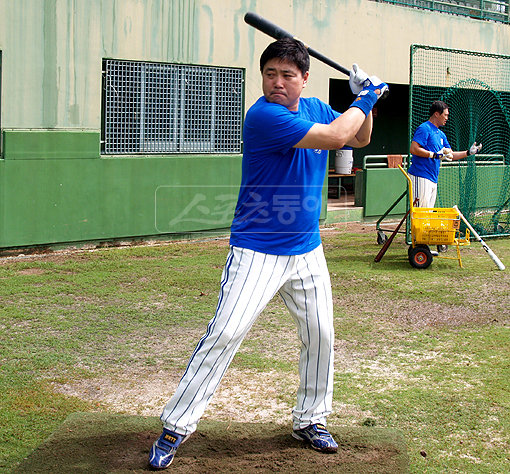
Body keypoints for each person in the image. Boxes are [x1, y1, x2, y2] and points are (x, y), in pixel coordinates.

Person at [148, 38, 388, 470]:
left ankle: (310, 419)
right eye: (270, 74)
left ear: (304, 79)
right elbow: (337, 135)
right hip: (257, 250)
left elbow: (359, 135)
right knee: (225, 334)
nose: (277, 82)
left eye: (287, 75)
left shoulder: (314, 107)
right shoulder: (264, 116)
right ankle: (175, 426)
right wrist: (367, 95)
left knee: (322, 337)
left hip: (306, 250)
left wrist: (363, 104)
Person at [408, 100, 482, 208]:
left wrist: (468, 152)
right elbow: (414, 149)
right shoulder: (424, 128)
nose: (447, 118)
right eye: (445, 115)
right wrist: (433, 155)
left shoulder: (441, 134)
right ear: (437, 114)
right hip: (421, 175)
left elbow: (450, 155)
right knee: (421, 214)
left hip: (433, 178)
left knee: (428, 214)